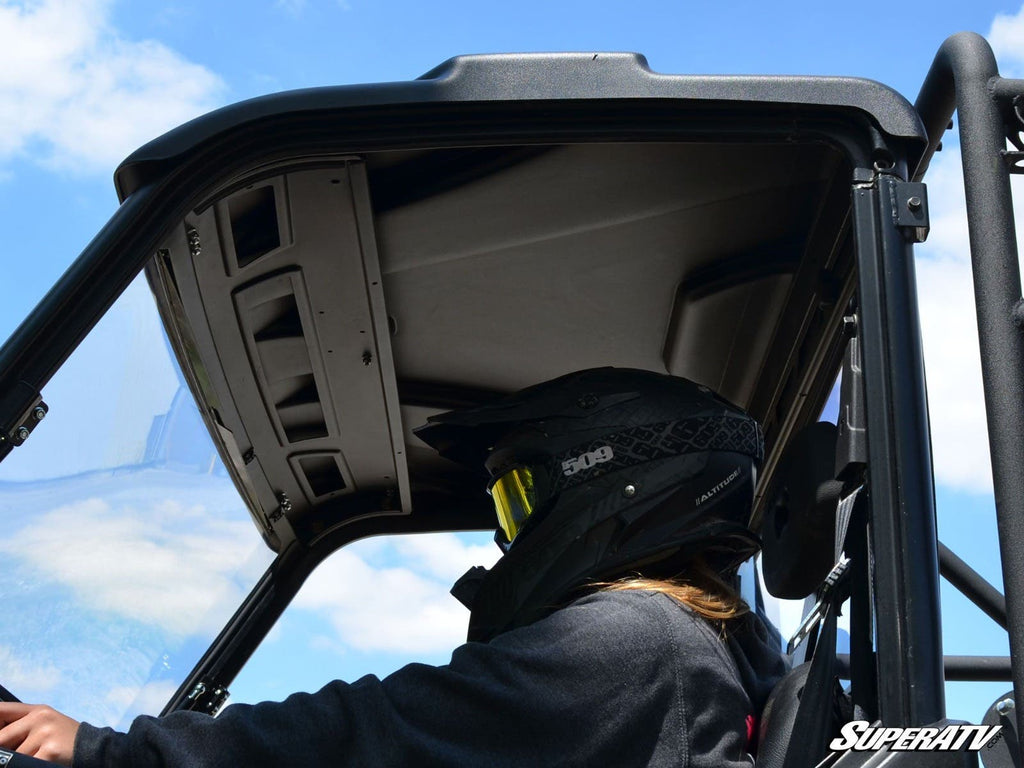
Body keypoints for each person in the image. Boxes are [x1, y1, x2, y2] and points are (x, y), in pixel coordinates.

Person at [0, 367, 787, 767]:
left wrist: (110, 750)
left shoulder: (633, 642)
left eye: (517, 500)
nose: (508, 540)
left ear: (614, 481)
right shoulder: (687, 651)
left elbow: (374, 730)